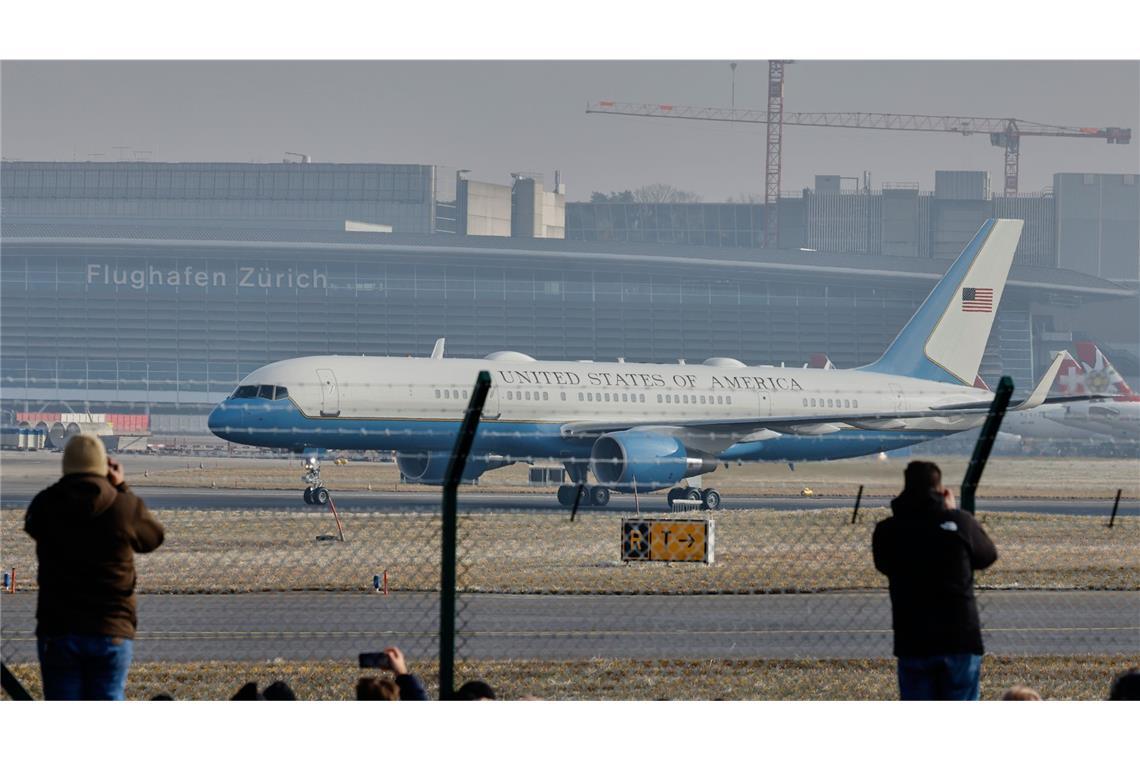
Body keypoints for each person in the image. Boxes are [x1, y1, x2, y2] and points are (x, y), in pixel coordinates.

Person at [24, 434, 165, 700]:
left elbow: (32, 524)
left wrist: (64, 487)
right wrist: (122, 488)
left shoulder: (47, 504)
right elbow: (153, 538)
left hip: (59, 628)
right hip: (111, 628)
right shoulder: (123, 506)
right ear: (104, 465)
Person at [872, 460, 997, 700]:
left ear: (905, 489)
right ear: (941, 489)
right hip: (960, 637)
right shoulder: (959, 523)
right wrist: (952, 512)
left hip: (913, 639)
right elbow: (987, 556)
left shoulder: (887, 531)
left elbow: (883, 564)